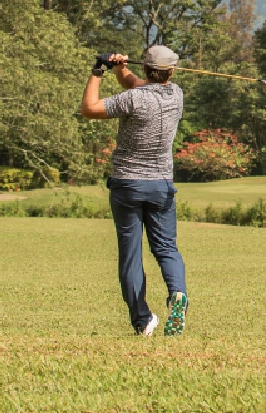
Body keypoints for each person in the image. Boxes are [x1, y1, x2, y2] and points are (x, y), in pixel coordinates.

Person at [80, 45, 188, 337]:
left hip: (128, 184)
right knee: (166, 248)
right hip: (160, 185)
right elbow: (136, 84)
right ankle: (177, 293)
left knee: (130, 254)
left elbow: (89, 109)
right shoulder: (176, 95)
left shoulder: (133, 99)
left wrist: (98, 71)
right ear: (171, 72)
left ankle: (142, 320)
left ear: (146, 69)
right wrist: (120, 69)